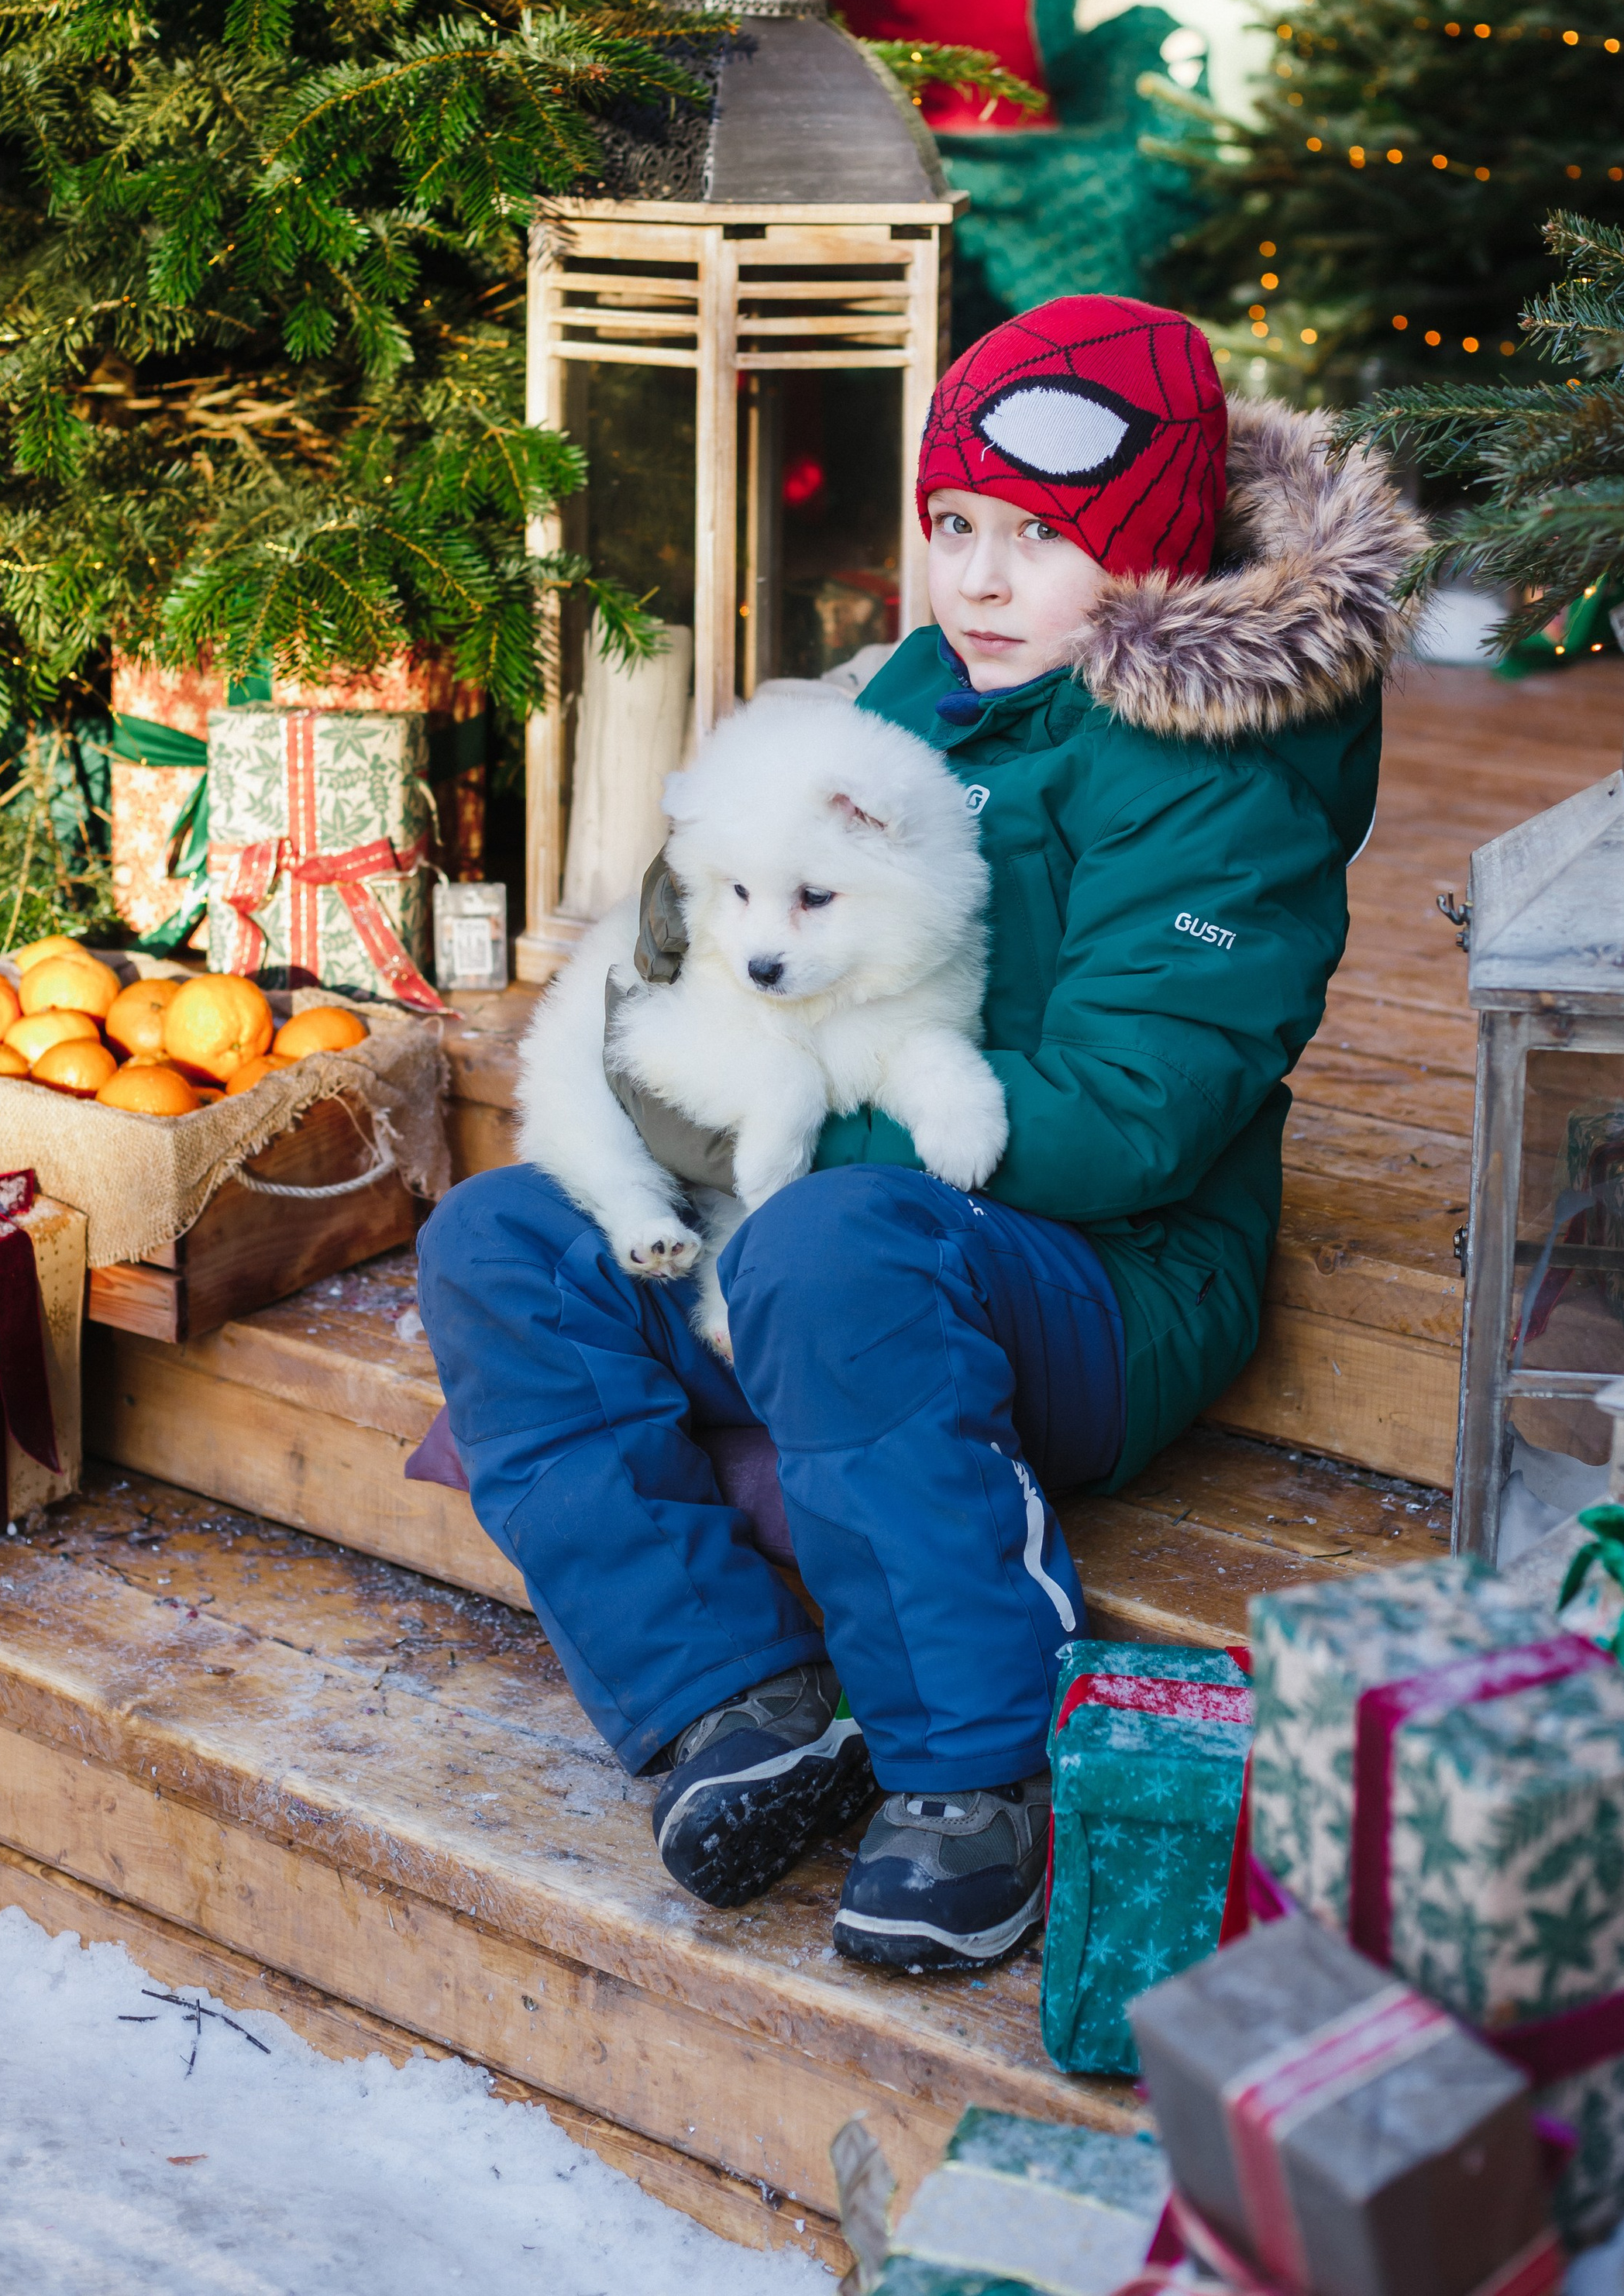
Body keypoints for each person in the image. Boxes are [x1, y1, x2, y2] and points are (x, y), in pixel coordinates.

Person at [417, 294, 1423, 1969]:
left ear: (1153, 551)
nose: (974, 576)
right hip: (844, 1241)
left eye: (1037, 539)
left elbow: (1130, 1120)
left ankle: (974, 1775)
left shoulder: (1220, 770)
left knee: (826, 1241)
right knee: (500, 1237)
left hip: (1100, 1275)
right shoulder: (920, 681)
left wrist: (787, 1161)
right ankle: (727, 1700)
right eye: (954, 525)